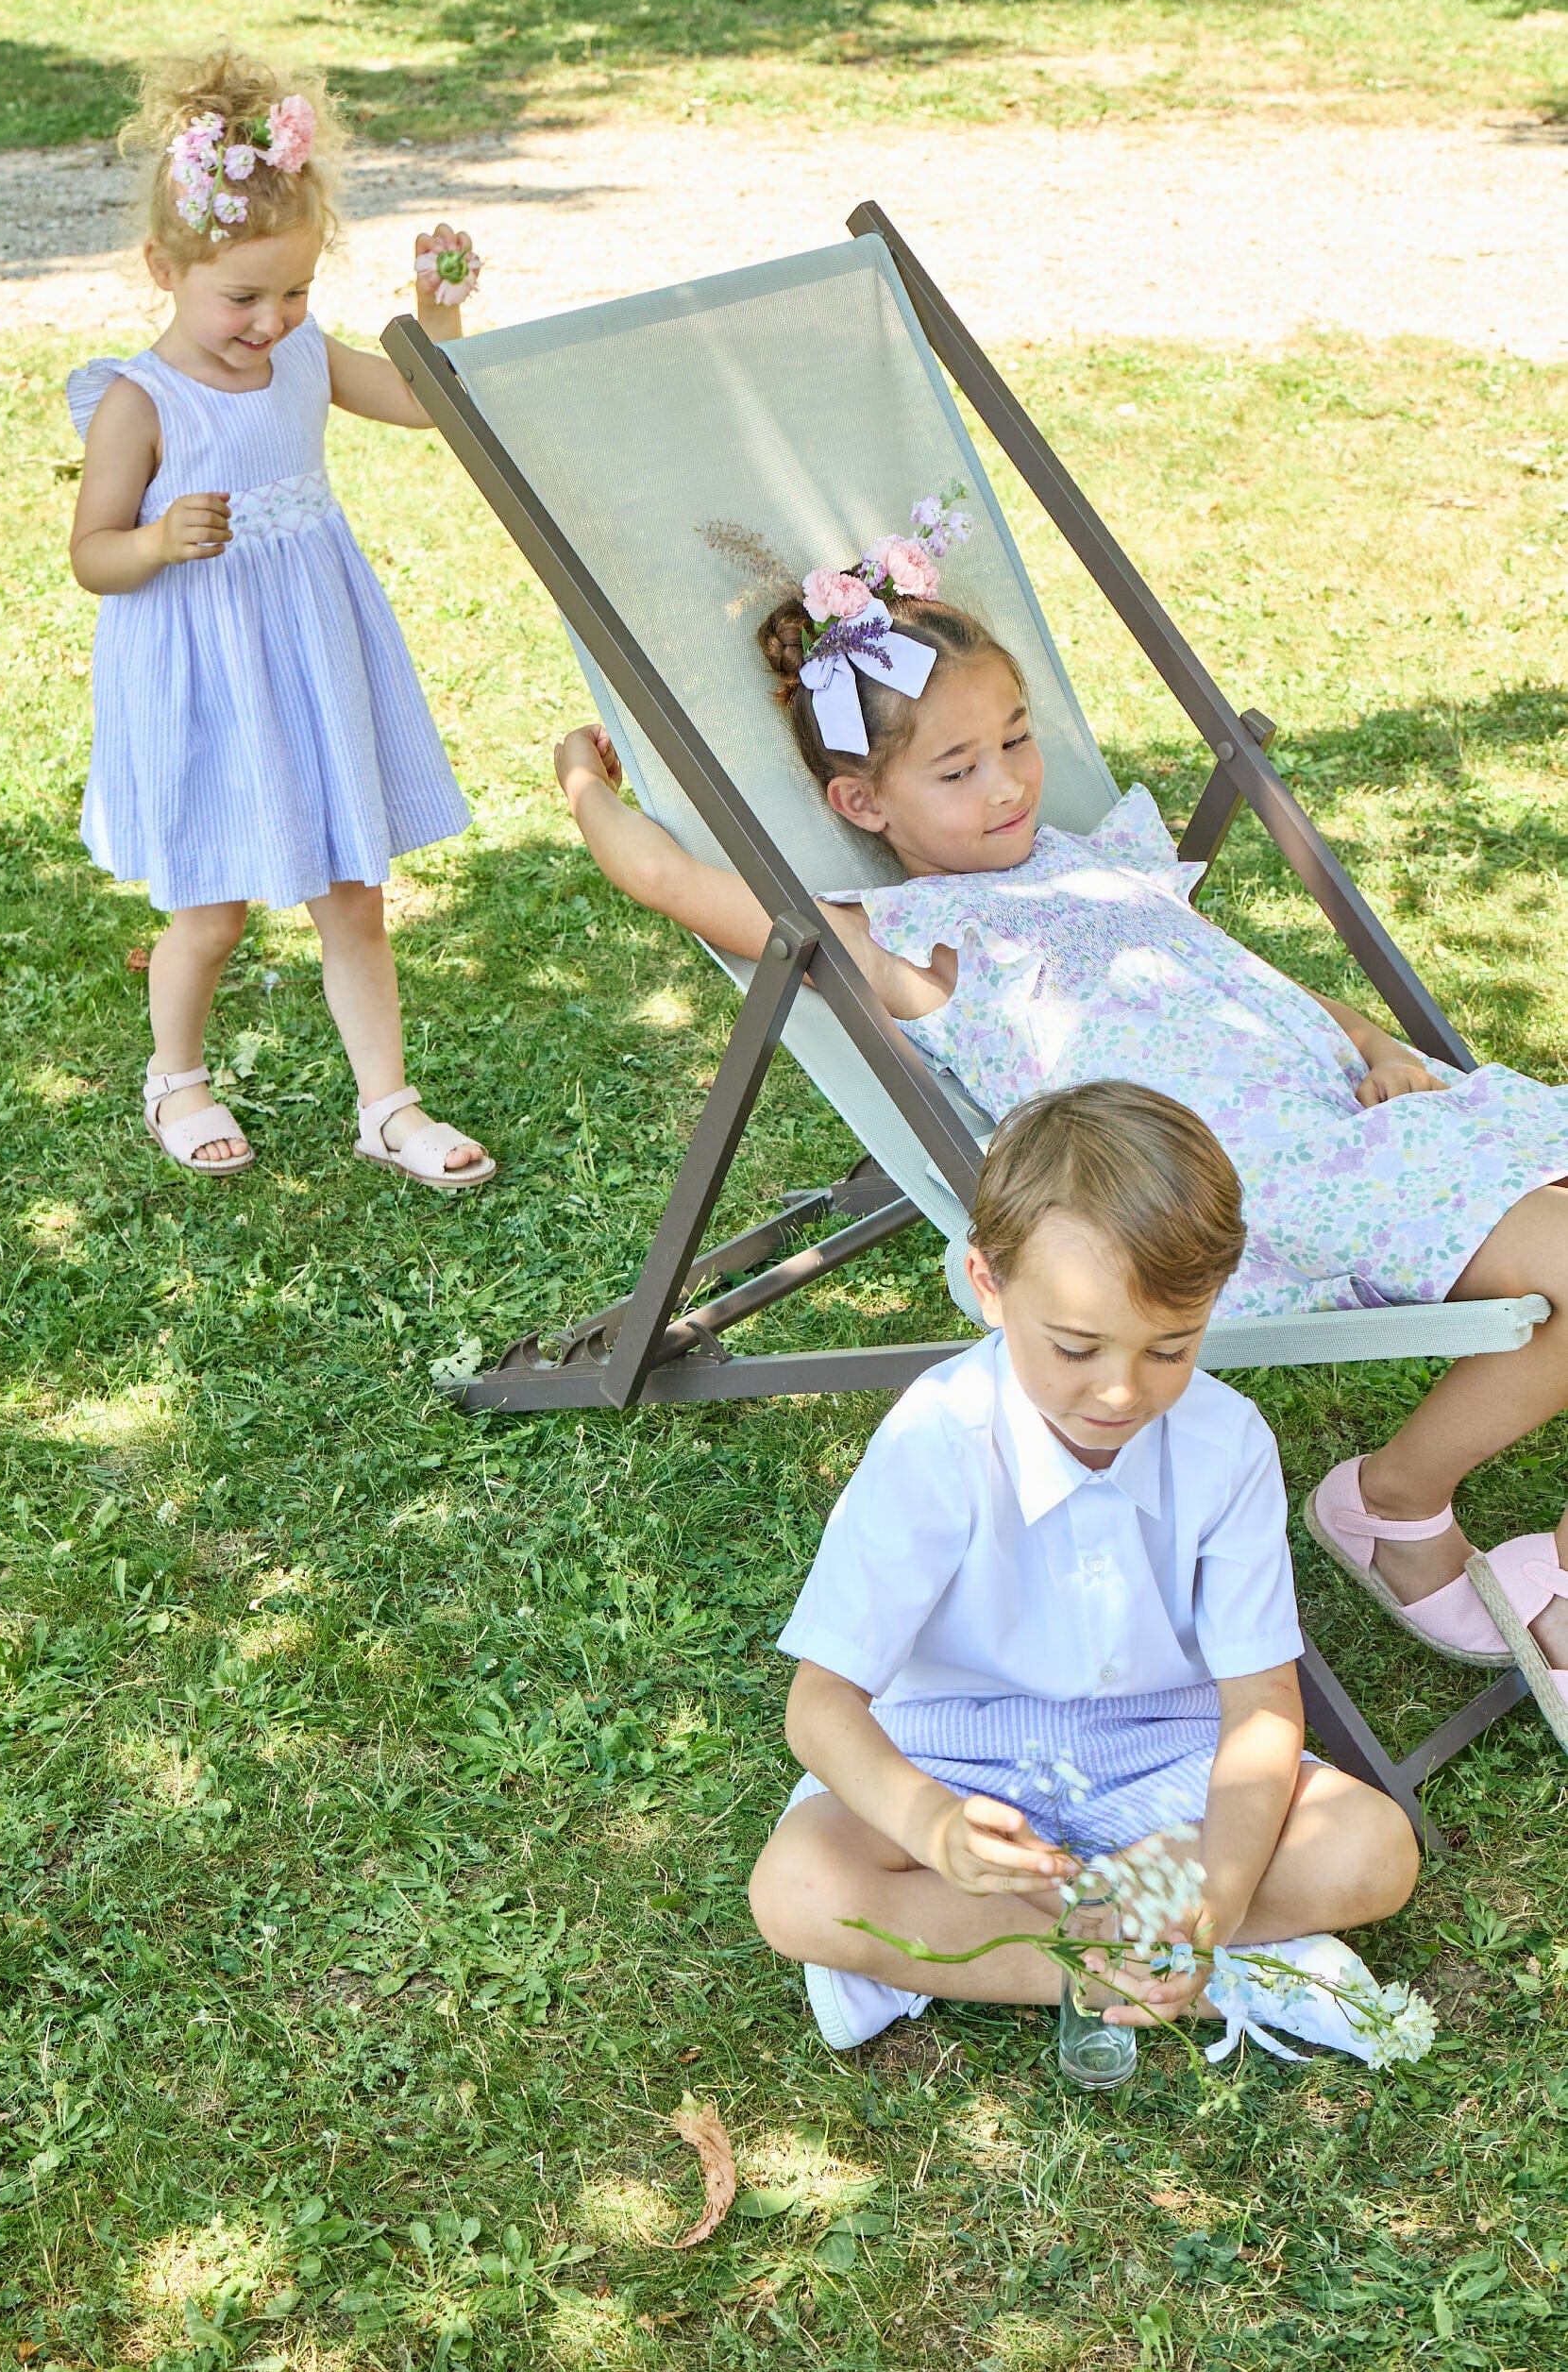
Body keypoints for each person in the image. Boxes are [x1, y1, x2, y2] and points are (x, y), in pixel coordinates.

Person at [551, 512, 1568, 1728]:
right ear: (859, 804)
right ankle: (1394, 1504)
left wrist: (1373, 1038)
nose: (1011, 781)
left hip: (1341, 1113)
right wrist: (580, 783)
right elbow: (671, 880)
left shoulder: (1098, 860)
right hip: (1235, 1178)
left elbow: (1230, 972)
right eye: (957, 767)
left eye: (1018, 739)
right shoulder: (913, 945)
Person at [745, 1080, 1421, 2052]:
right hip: (957, 1750)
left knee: (1372, 1850)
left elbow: (1263, 1699)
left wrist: (1219, 1893)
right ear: (987, 1283)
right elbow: (820, 1706)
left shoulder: (1226, 1441)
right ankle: (1210, 1972)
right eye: (1076, 1345)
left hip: (1165, 1758)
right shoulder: (938, 1436)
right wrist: (931, 1824)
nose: (1119, 1389)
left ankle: (1025, 1956)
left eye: (1170, 1348)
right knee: (801, 1884)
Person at [68, 48, 495, 1188]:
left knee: (351, 892)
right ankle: (178, 1078)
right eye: (243, 297)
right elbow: (92, 554)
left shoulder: (303, 353)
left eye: (295, 290)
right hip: (206, 671)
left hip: (307, 653)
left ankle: (389, 1106)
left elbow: (424, 405)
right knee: (210, 909)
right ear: (165, 267)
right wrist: (156, 542)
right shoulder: (139, 400)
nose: (272, 320)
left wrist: (436, 315)